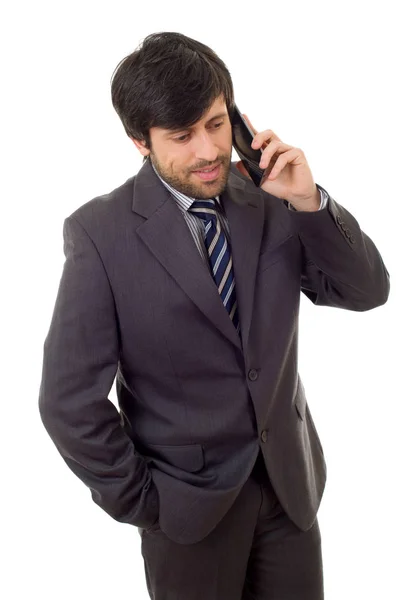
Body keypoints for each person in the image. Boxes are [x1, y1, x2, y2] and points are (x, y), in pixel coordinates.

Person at [38, 31, 390, 600]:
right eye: (182, 135)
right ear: (140, 141)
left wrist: (306, 201)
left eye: (217, 123)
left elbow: (366, 291)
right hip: (186, 515)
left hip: (288, 493)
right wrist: (147, 504)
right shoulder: (100, 235)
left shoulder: (270, 199)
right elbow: (67, 400)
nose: (208, 150)